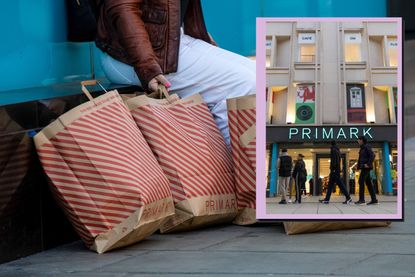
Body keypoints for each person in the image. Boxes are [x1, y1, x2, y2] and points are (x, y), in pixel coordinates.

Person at [95, 0, 256, 146]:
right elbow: (122, 6)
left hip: (171, 43)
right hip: (134, 56)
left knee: (258, 76)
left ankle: (234, 167)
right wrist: (146, 65)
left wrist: (201, 38)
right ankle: (239, 171)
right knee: (247, 84)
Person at [355, 136, 378, 205]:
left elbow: (372, 155)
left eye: (358, 140)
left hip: (366, 168)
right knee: (369, 183)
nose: (357, 141)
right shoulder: (362, 148)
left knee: (360, 181)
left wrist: (368, 164)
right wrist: (358, 167)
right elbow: (360, 158)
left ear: (361, 140)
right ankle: (374, 199)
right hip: (364, 167)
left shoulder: (366, 147)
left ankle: (362, 200)